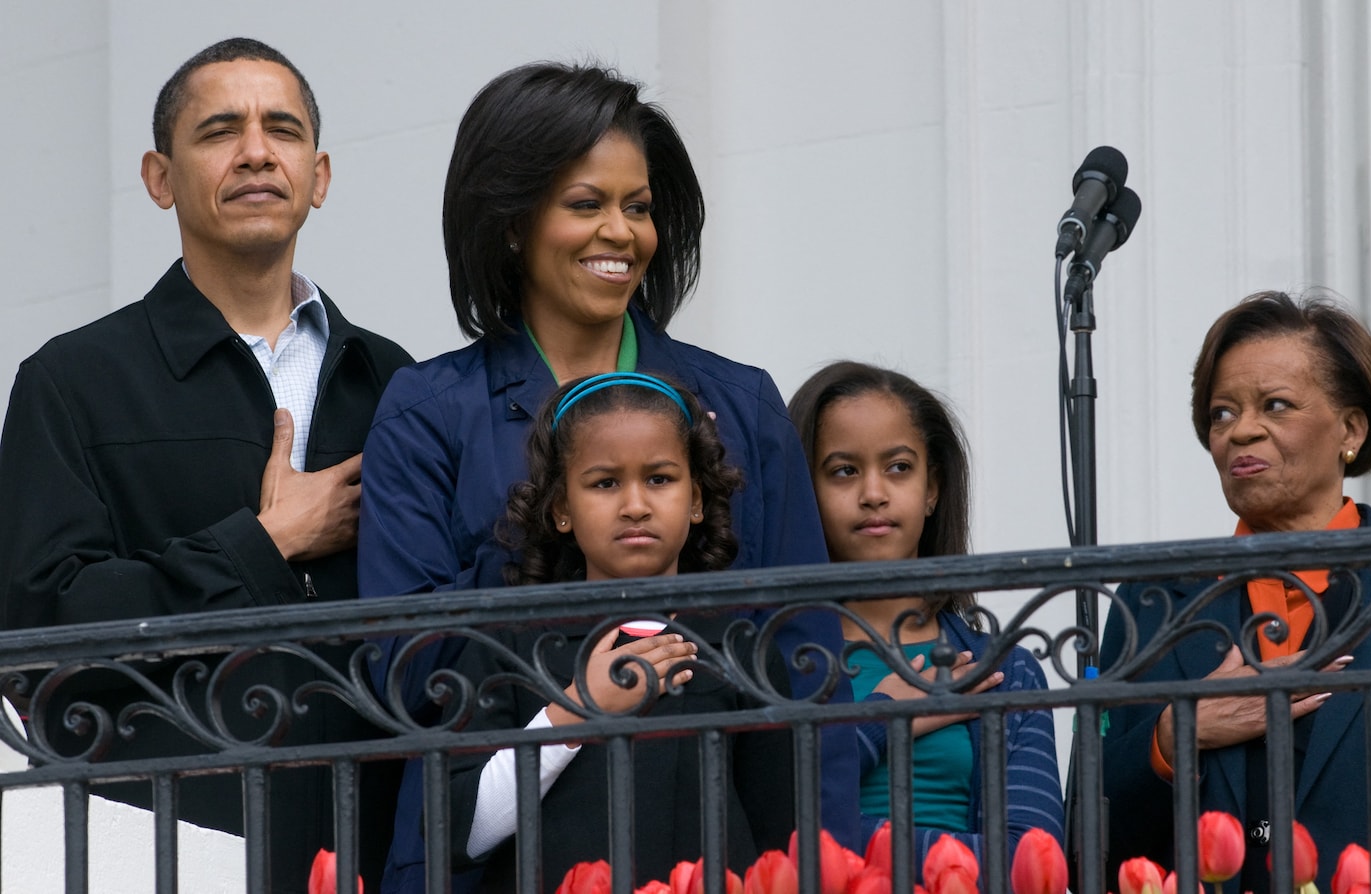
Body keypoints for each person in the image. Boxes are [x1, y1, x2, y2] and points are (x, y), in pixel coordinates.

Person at [358, 61, 857, 890]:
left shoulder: (740, 405)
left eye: (639, 207)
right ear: (513, 223)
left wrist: (827, 869)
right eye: (585, 204)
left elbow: (804, 666)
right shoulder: (427, 409)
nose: (620, 234)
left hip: (715, 847)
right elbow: (408, 671)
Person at [0, 38, 411, 892]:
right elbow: (38, 634)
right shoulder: (72, 382)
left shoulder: (395, 382)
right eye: (221, 130)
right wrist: (264, 544)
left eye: (283, 130)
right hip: (165, 845)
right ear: (160, 178)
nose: (257, 151)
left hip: (373, 844)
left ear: (320, 174)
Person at [1098, 291, 1371, 891]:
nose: (1240, 432)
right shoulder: (1153, 601)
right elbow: (1084, 839)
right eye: (1222, 413)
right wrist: (1175, 735)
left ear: (1350, 429)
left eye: (1275, 406)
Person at [445, 372, 793, 890]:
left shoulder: (740, 648)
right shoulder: (510, 645)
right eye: (605, 483)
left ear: (696, 500)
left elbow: (778, 846)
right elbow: (463, 833)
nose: (635, 504)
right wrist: (574, 712)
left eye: (659, 479)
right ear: (562, 508)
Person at [787, 361, 1065, 873]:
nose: (874, 493)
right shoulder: (776, 666)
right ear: (806, 494)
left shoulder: (1007, 671)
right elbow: (773, 822)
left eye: (898, 467)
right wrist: (877, 721)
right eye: (844, 471)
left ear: (932, 488)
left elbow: (1032, 862)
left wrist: (854, 845)